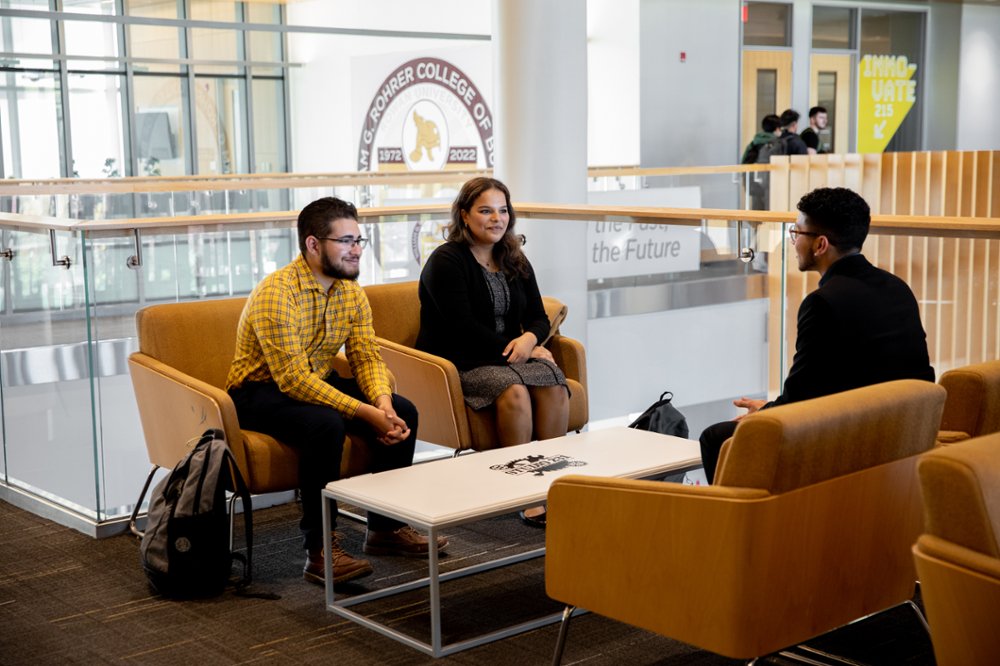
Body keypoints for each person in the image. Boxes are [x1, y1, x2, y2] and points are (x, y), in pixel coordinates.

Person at [226, 196, 447, 587]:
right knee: (325, 423)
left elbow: (365, 357)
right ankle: (319, 550)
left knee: (404, 409)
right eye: (345, 241)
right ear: (313, 245)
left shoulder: (350, 291)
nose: (356, 249)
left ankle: (385, 529)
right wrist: (364, 414)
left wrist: (381, 403)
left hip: (315, 378)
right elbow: (292, 379)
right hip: (258, 392)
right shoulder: (277, 292)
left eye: (359, 240)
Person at [698, 187, 934, 482]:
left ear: (821, 244)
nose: (793, 241)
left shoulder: (823, 302)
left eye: (797, 232)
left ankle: (735, 524)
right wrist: (771, 407)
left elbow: (801, 399)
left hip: (846, 439)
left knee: (715, 438)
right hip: (900, 433)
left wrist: (767, 412)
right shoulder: (897, 286)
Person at [416, 177, 570, 528]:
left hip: (510, 355)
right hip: (461, 359)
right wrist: (523, 352)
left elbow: (537, 313)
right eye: (485, 210)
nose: (496, 219)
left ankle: (553, 487)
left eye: (502, 210)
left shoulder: (514, 256)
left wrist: (532, 339)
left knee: (554, 385)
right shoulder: (446, 261)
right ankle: (521, 494)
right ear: (464, 215)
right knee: (513, 391)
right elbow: (462, 327)